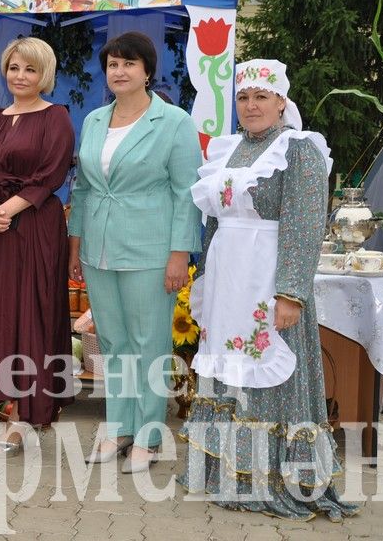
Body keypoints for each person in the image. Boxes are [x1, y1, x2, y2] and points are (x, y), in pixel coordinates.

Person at [179, 59, 359, 521]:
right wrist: (204, 282)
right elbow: (213, 224)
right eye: (244, 97)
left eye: (262, 96)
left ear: (282, 101)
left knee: (271, 370)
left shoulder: (299, 149)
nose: (252, 105)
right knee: (228, 372)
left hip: (269, 277)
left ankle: (275, 480)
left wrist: (291, 292)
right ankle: (228, 474)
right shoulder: (227, 149)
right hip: (227, 279)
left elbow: (304, 224)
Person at [68, 32, 202, 473]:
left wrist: (180, 253)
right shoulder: (93, 121)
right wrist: (76, 242)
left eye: (129, 64)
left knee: (149, 343)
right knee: (113, 343)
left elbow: (186, 193)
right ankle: (118, 427)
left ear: (147, 70)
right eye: (112, 64)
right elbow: (84, 188)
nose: (119, 71)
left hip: (151, 250)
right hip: (99, 250)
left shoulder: (174, 121)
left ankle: (149, 435)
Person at [0, 37, 75, 456]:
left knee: (32, 317)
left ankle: (25, 418)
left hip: (33, 228)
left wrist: (3, 210)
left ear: (43, 73)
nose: (20, 76)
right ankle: (8, 402)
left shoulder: (56, 117)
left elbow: (51, 174)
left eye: (29, 69)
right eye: (14, 68)